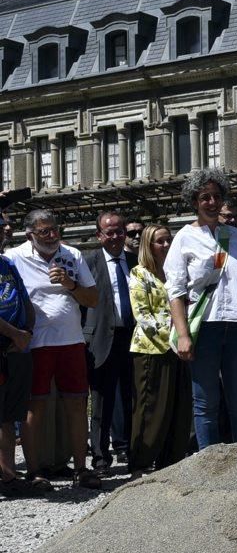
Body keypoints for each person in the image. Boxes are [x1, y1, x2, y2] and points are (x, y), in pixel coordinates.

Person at [165, 167, 237, 453]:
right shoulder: (183, 237)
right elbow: (176, 291)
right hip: (204, 325)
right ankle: (208, 462)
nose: (211, 202)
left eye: (216, 196)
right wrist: (183, 335)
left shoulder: (236, 236)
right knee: (205, 401)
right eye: (205, 197)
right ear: (194, 201)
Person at [7, 210, 100, 490]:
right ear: (30, 234)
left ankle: (82, 469)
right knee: (34, 407)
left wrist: (70, 284)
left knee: (76, 403)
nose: (51, 236)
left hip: (70, 339)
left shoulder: (72, 254)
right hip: (35, 342)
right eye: (44, 232)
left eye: (54, 230)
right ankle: (34, 471)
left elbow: (93, 299)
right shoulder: (14, 257)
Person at [128, 225, 192, 474]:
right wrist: (176, 336)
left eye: (168, 241)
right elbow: (143, 315)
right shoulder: (139, 273)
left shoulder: (177, 272)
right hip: (152, 349)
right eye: (160, 242)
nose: (166, 245)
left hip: (180, 348)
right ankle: (141, 461)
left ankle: (171, 461)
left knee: (178, 405)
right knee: (151, 408)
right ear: (148, 246)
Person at [83, 211, 138, 473]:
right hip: (102, 339)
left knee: (133, 396)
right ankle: (100, 458)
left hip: (134, 337)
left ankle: (129, 450)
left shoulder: (136, 261)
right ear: (99, 235)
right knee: (102, 402)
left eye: (119, 231)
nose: (115, 237)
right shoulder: (88, 262)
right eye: (109, 232)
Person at [0, 248, 35, 494]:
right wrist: (15, 334)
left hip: (16, 347)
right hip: (7, 341)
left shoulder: (7, 264)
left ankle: (8, 476)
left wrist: (27, 333)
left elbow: (24, 300)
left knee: (8, 415)